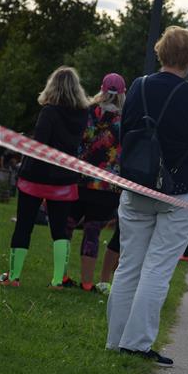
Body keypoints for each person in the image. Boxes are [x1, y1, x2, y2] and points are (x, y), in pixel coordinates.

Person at [105, 26, 188, 366]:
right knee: (157, 268)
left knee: (129, 265)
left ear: (160, 52)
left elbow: (125, 134)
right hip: (180, 191)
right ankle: (136, 344)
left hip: (137, 184)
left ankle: (115, 340)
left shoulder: (138, 86)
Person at [0, 66, 88, 288]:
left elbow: (40, 144)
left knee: (24, 226)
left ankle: (14, 276)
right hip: (64, 179)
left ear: (52, 86)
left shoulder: (49, 112)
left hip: (36, 177)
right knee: (60, 230)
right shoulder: (82, 115)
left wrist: (24, 142)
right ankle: (58, 280)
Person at [65, 73, 126, 292]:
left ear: (101, 89)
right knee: (92, 233)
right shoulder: (125, 120)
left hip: (79, 180)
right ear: (123, 94)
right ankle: (87, 283)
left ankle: (60, 276)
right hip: (106, 187)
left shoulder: (87, 112)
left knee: (66, 227)